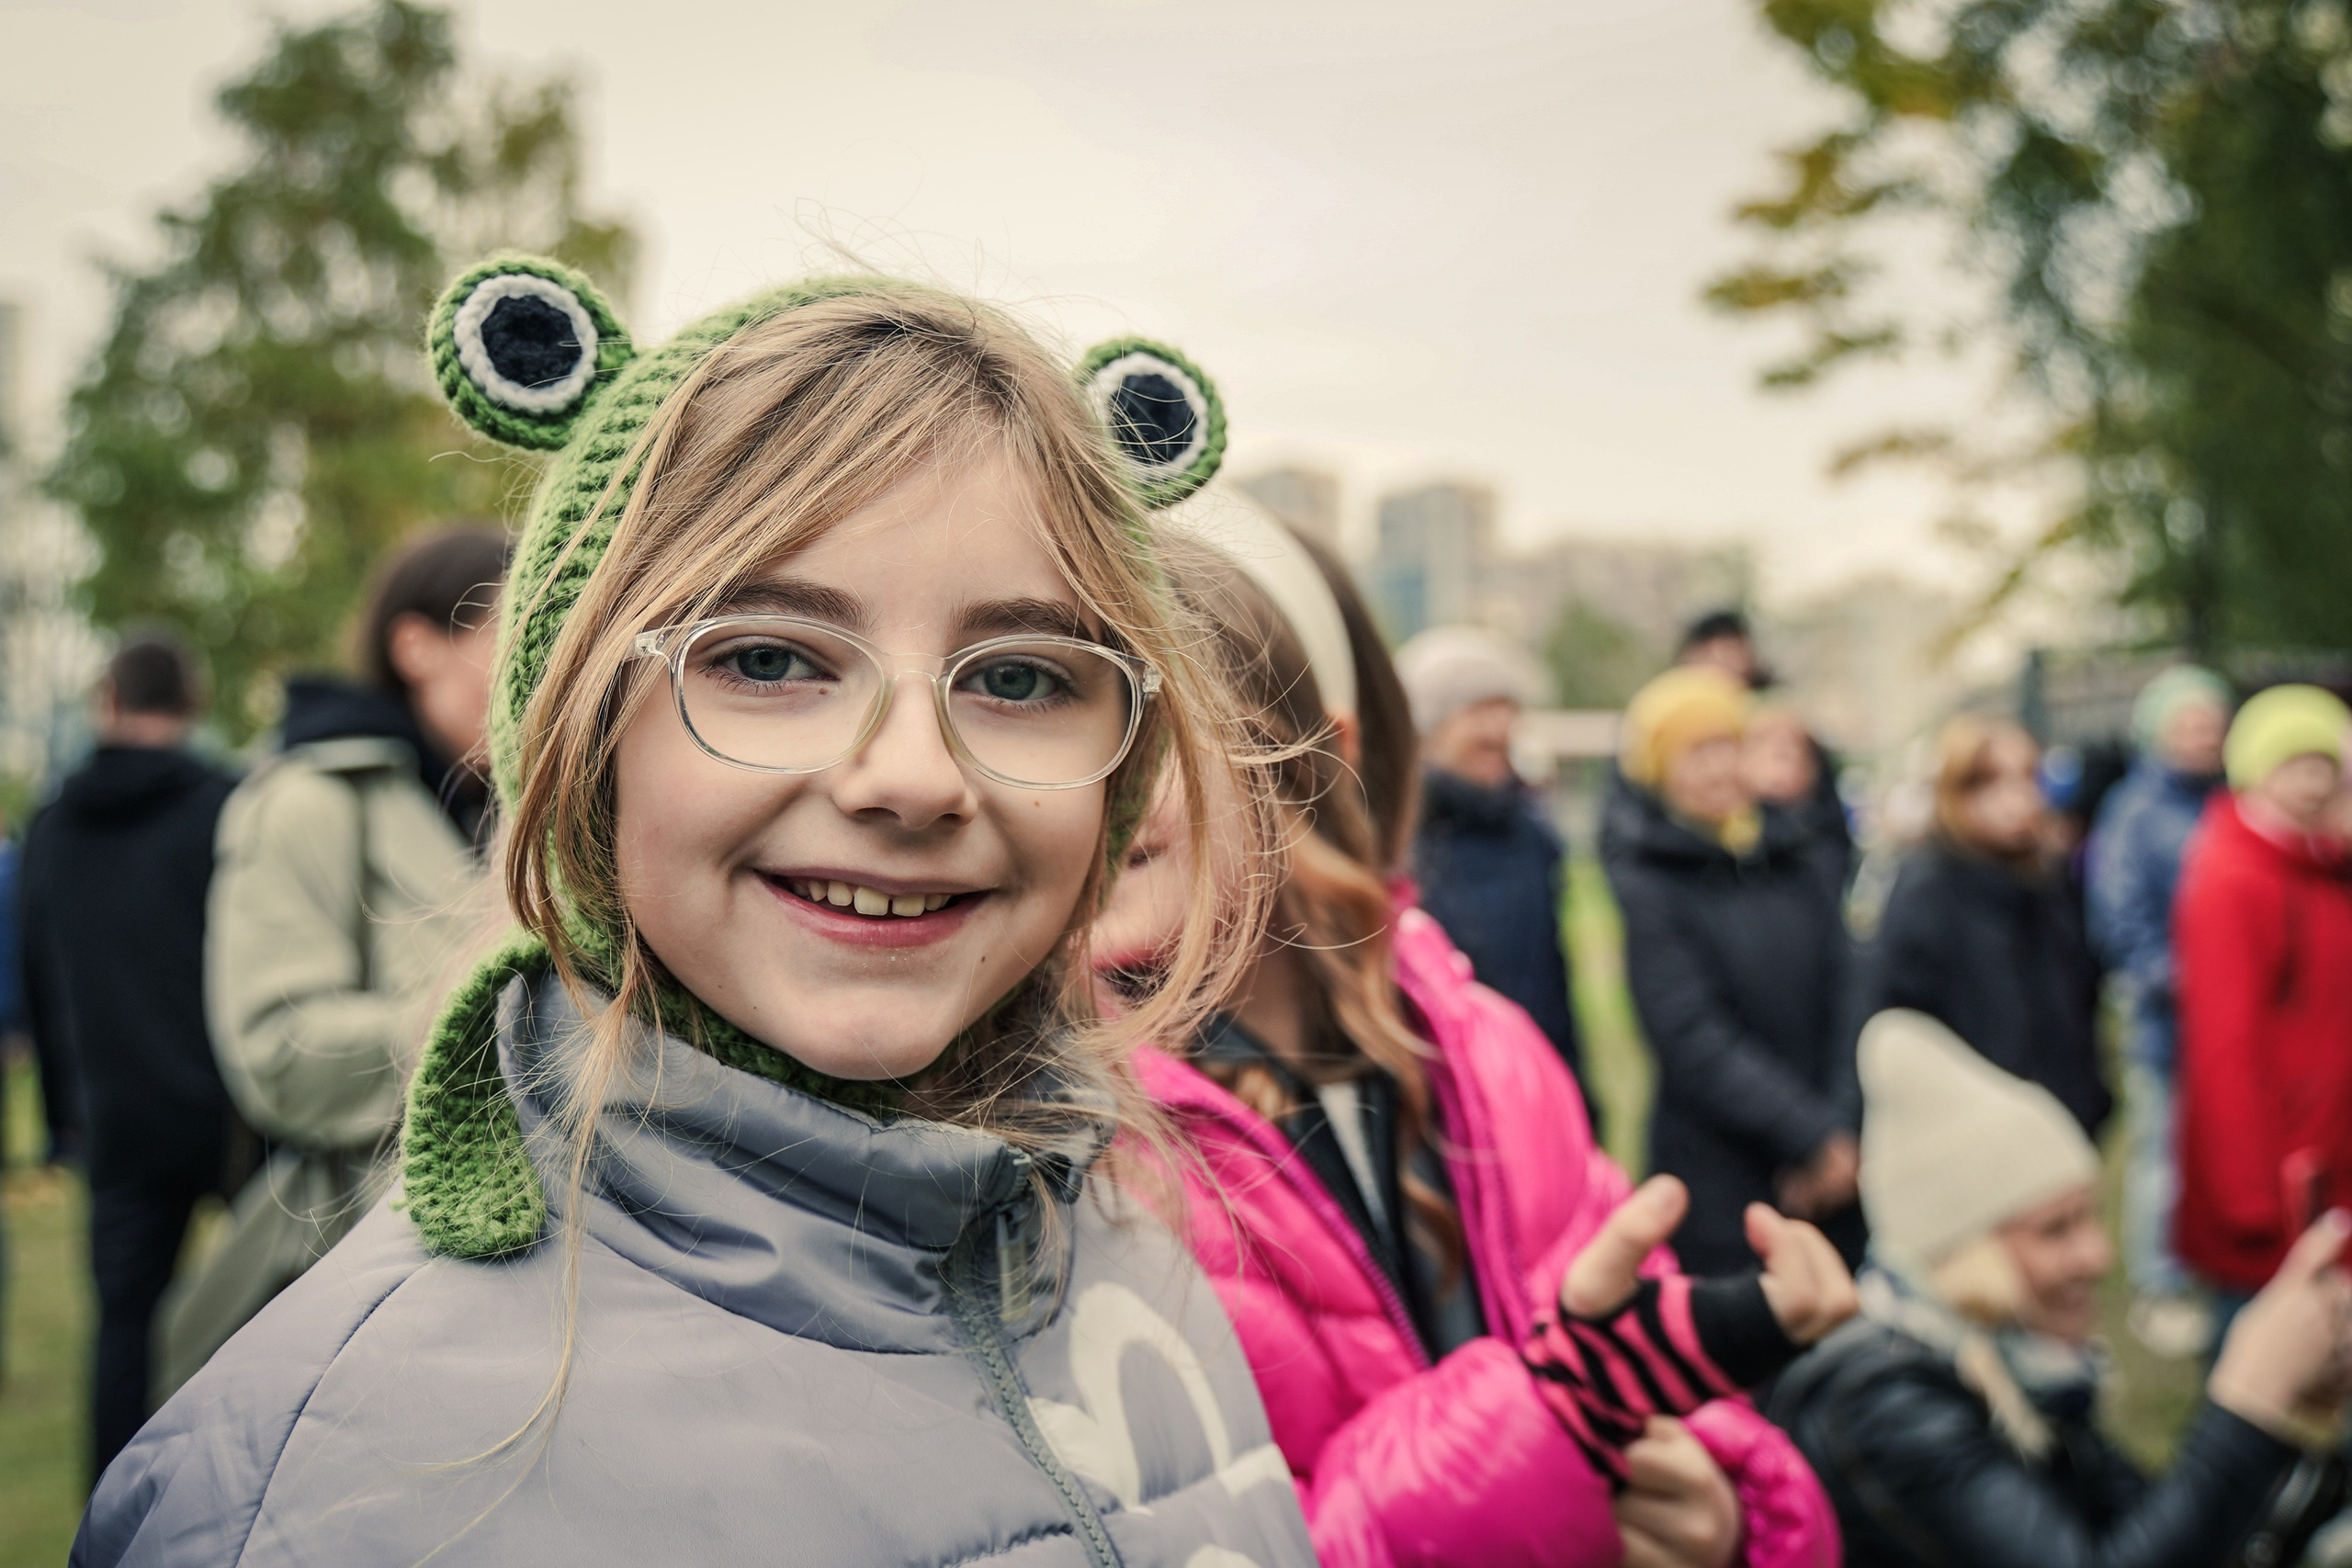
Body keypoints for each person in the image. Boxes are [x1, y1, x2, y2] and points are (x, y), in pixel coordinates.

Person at [76, 262, 1314, 1567]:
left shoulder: (1128, 1249)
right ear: (582, 740)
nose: (911, 776)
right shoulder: (343, 1488)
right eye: (766, 658)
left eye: (1018, 677)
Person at [1099, 524, 1847, 1568]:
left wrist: (1726, 1514)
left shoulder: (1485, 1051)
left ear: (1313, 760)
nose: (1096, 787)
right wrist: (1557, 1427)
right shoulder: (1076, 1139)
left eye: (1155, 728)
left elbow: (1647, 1360)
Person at [1771, 1009, 2348, 1565]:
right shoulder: (1889, 1404)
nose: (2098, 1255)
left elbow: (2153, 1528)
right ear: (1965, 1254)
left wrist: (2295, 1409)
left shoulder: (2018, 1364)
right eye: (2057, 1230)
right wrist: (2248, 1394)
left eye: (2088, 1217)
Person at [158, 526, 509, 1393]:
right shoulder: (305, 801)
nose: (540, 666)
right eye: (513, 629)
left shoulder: (516, 807)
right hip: (357, 1275)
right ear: (416, 644)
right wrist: (507, 1029)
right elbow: (279, 1051)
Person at [17, 632, 241, 1483]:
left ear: (107, 700)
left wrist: (62, 1118)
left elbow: (40, 981)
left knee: (123, 1332)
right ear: (193, 702)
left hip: (113, 1115)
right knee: (274, 1308)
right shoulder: (228, 805)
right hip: (229, 1113)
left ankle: (111, 1518)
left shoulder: (51, 825)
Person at [1601, 667, 1863, 1275]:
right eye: (1695, 753)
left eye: (1727, 744)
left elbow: (1850, 990)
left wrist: (1840, 1128)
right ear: (1660, 771)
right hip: (1722, 1175)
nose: (1717, 768)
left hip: (1833, 1161)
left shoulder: (1795, 854)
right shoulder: (1651, 883)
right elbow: (1692, 1036)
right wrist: (1807, 1136)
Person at [2175, 683, 2352, 1315]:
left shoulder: (2317, 865)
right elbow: (2226, 1041)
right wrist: (2248, 1194)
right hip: (2277, 1174)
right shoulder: (2233, 877)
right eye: (2294, 764)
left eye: (2324, 764)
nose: (2313, 782)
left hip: (2324, 1150)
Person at [1857, 715, 2110, 1137]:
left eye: (2026, 778)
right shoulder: (1928, 889)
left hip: (2061, 1119)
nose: (2016, 798)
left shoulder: (2043, 878)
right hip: (1976, 1131)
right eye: (1990, 782)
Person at [2086, 666, 2232, 1357]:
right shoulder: (2135, 812)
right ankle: (2161, 1281)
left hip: (2233, 1024)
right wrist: (2185, 977)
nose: (2203, 735)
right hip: (2170, 1021)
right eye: (2188, 723)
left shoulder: (2232, 800)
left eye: (2211, 722)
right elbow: (2120, 918)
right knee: (2163, 1150)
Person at [1394, 624, 1584, 1086]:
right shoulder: (1399, 844)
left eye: (1506, 710)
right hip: (1447, 1091)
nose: (1498, 730)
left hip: (1538, 1080)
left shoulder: (1532, 835)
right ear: (1428, 729)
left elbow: (1554, 982)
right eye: (1479, 711)